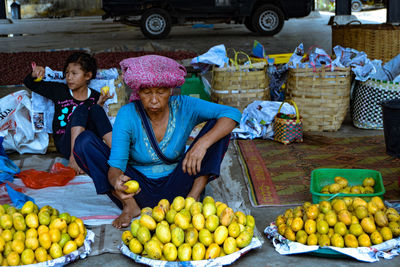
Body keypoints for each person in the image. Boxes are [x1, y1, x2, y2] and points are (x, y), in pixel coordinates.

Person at [73, 55, 241, 228]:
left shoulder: (185, 106)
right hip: (138, 191)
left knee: (219, 125)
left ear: (170, 91)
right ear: (138, 93)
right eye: (147, 93)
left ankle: (193, 199)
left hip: (179, 186)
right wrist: (116, 181)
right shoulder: (128, 114)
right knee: (84, 142)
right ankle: (130, 207)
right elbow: (116, 164)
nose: (154, 100)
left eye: (160, 92)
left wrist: (201, 144)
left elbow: (233, 114)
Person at [24, 52, 113, 174]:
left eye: (74, 73)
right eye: (67, 73)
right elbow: (30, 83)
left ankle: (117, 155)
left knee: (96, 109)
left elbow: (97, 123)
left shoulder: (96, 96)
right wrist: (34, 74)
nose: (69, 77)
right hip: (66, 143)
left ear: (87, 75)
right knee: (81, 109)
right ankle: (74, 159)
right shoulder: (59, 91)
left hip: (88, 143)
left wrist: (100, 105)